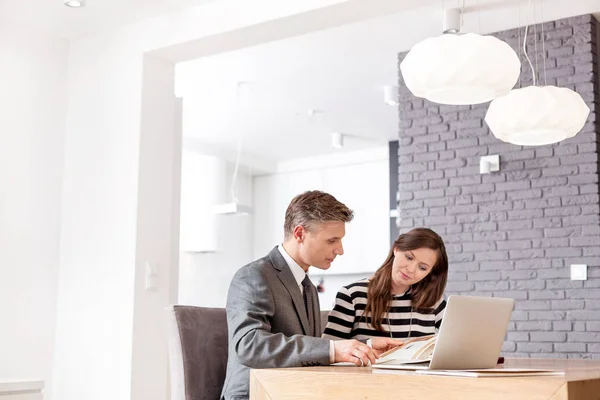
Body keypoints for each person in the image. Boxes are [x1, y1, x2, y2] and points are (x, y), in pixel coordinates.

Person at [221, 191, 402, 400]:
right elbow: (249, 345)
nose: (340, 250)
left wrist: (365, 346)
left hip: (296, 391)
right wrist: (334, 350)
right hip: (256, 394)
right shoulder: (254, 275)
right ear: (299, 234)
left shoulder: (307, 287)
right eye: (332, 240)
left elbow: (309, 349)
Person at [323, 227, 448, 342]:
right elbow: (329, 350)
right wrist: (368, 346)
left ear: (430, 273)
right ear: (396, 249)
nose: (411, 269)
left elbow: (459, 343)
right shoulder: (353, 295)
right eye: (409, 257)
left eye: (422, 267)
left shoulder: (434, 302)